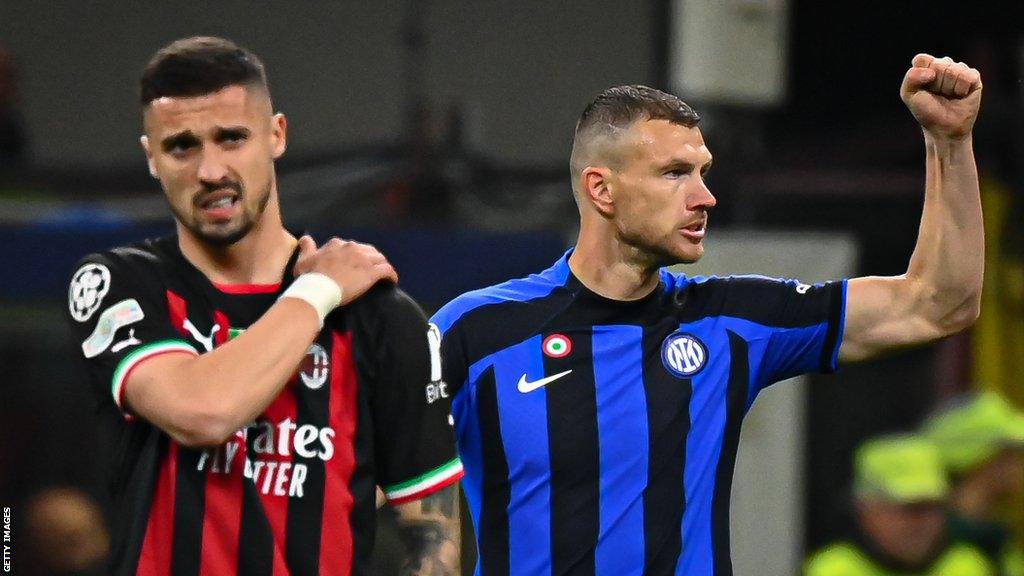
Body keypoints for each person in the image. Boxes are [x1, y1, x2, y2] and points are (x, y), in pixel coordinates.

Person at [431, 53, 984, 574]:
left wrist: (950, 141)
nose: (704, 197)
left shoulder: (730, 321)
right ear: (601, 189)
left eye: (704, 172)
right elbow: (379, 481)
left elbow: (938, 303)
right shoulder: (475, 332)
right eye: (675, 173)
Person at [64, 37, 463, 576]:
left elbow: (432, 534)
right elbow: (201, 412)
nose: (210, 170)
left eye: (231, 138)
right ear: (151, 159)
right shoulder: (119, 284)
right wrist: (317, 293)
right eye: (182, 146)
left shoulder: (381, 318)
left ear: (277, 135)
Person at [804, 435, 995, 576]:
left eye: (935, 507)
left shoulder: (969, 567)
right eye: (911, 508)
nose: (924, 522)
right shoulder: (830, 570)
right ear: (866, 509)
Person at [924, 392, 1024, 576]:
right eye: (1009, 453)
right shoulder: (931, 548)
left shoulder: (994, 538)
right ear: (983, 460)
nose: (1018, 466)